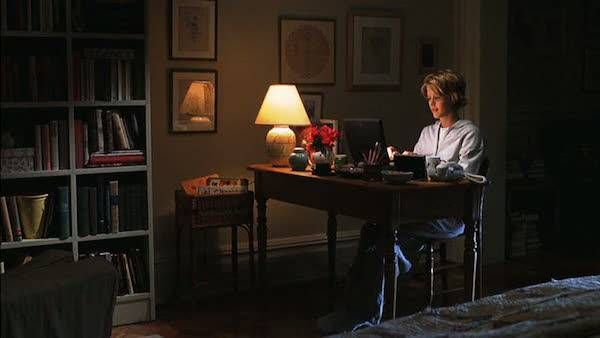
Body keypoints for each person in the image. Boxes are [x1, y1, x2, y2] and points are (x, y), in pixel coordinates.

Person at [318, 69, 485, 334]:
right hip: (419, 209)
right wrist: (401, 158)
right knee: (372, 229)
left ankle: (366, 318)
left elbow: (464, 173)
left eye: (437, 97)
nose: (431, 103)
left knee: (386, 237)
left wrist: (427, 165)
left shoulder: (469, 133)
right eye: (429, 98)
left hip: (449, 214)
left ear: (453, 98)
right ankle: (353, 310)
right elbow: (417, 169)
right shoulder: (428, 132)